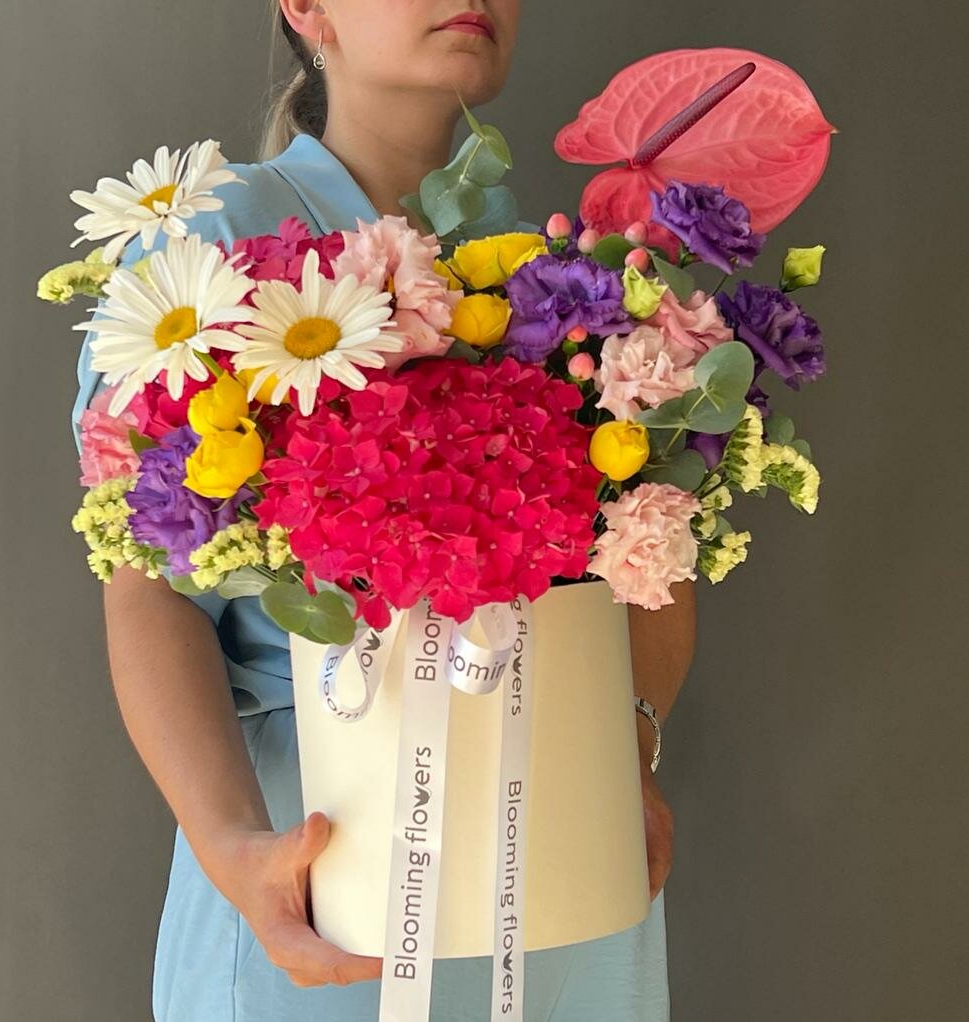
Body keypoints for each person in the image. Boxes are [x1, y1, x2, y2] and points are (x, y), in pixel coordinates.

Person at [70, 2, 695, 1018]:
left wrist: (626, 751)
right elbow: (147, 585)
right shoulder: (208, 249)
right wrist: (236, 851)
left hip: (560, 846)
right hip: (325, 858)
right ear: (306, 6)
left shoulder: (555, 269)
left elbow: (657, 551)